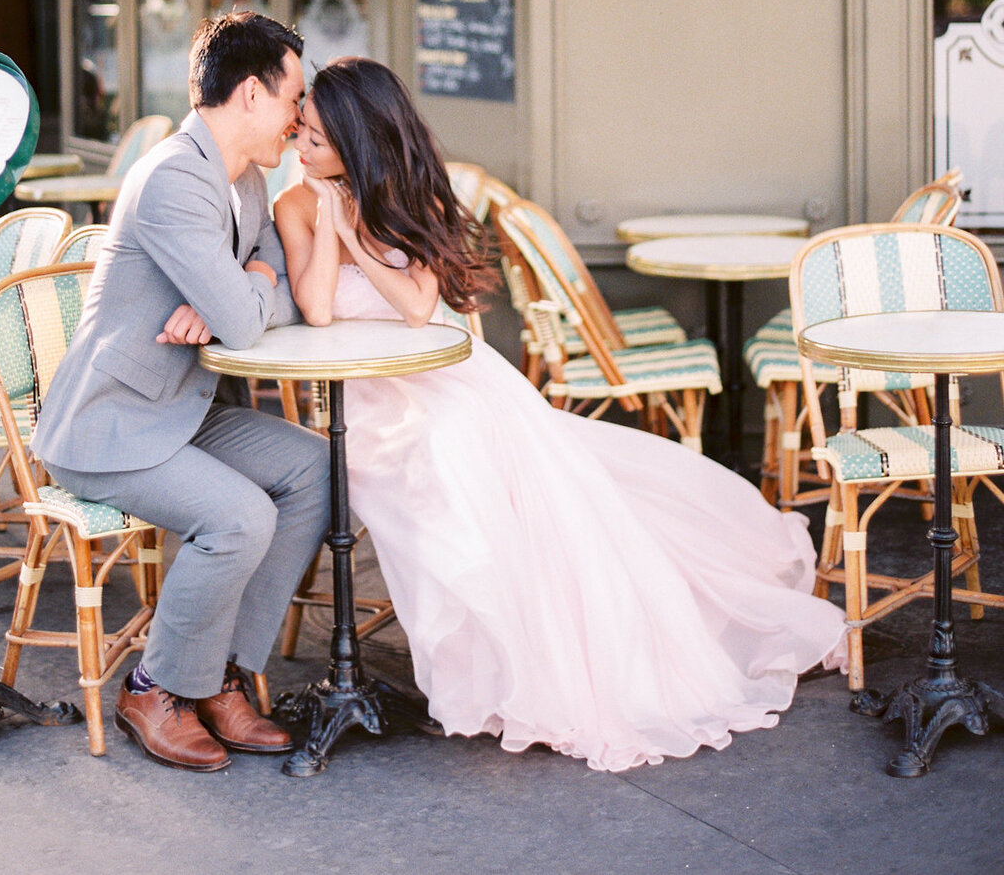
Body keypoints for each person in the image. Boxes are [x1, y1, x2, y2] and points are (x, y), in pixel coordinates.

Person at [269, 57, 848, 774]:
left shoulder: (403, 193)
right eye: (300, 133)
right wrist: (327, 220)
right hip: (372, 403)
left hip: (450, 381)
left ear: (358, 141)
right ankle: (493, 650)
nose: (301, 147)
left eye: (317, 140)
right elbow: (319, 308)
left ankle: (541, 654)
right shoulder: (294, 206)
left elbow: (419, 308)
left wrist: (355, 232)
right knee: (453, 463)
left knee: (514, 471)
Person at [31, 12, 330, 773]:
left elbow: (280, 292)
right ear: (255, 94)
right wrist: (242, 296)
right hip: (111, 427)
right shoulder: (172, 178)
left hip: (182, 411)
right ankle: (152, 686)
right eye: (295, 98)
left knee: (316, 470)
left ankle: (217, 675)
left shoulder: (250, 180)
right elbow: (243, 318)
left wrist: (248, 287)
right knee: (240, 516)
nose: (301, 117)